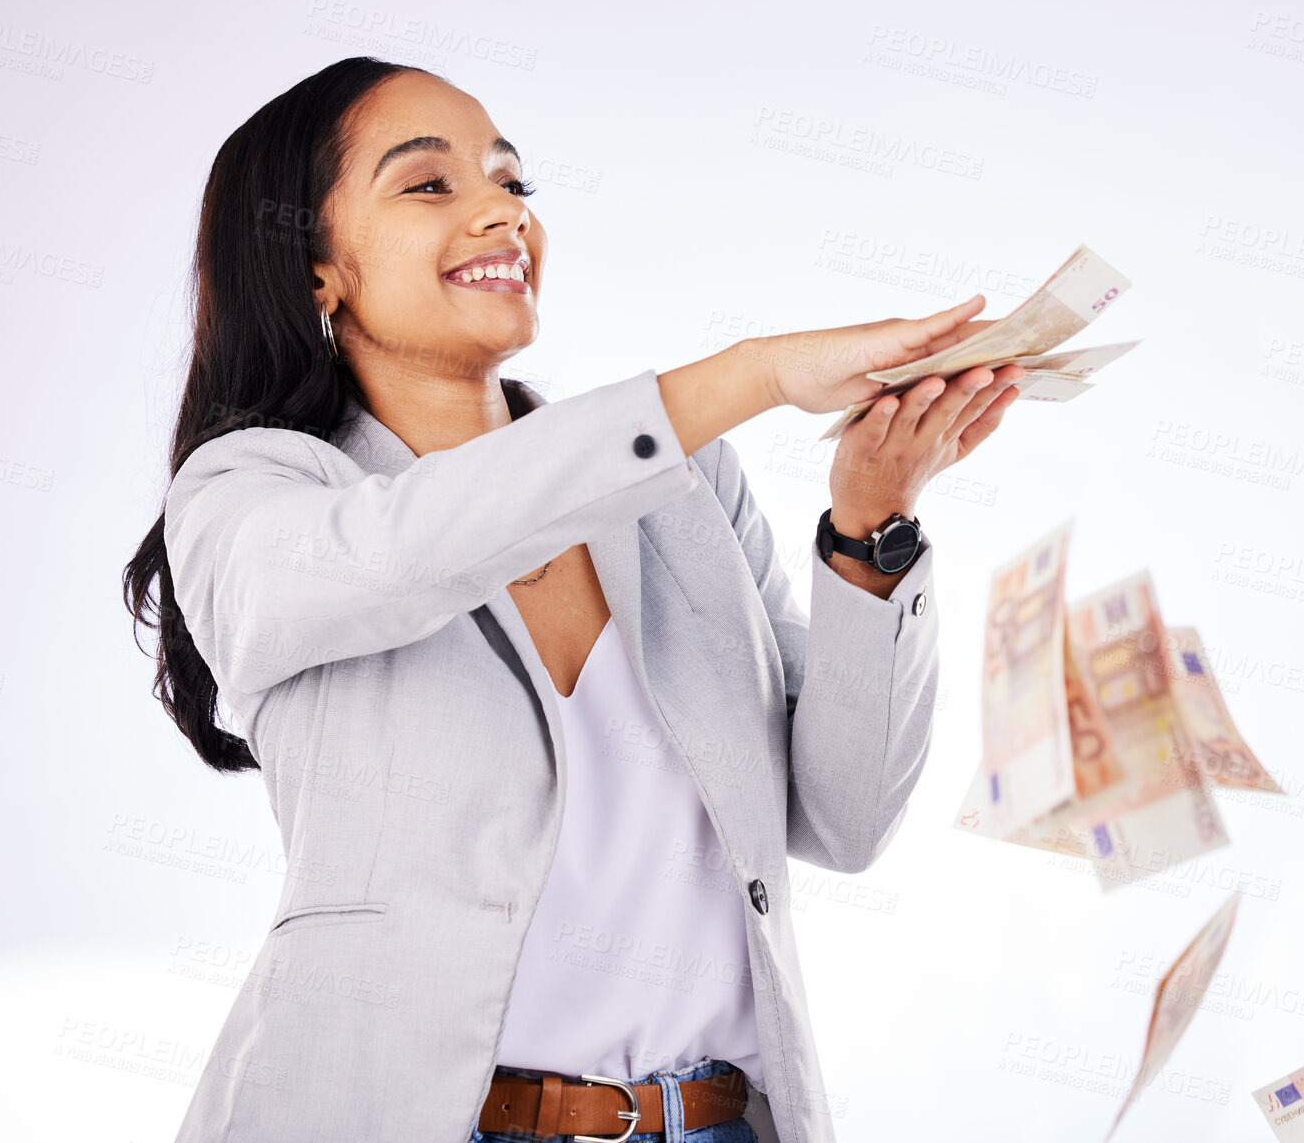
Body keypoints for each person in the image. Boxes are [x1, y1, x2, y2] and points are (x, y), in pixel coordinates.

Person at [123, 56, 1024, 1143]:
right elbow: (407, 550)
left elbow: (843, 816)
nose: (502, 209)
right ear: (318, 269)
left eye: (512, 182)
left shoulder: (677, 491)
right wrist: (753, 374)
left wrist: (870, 528)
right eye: (429, 184)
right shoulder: (255, 493)